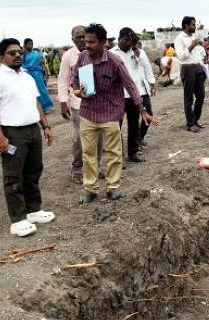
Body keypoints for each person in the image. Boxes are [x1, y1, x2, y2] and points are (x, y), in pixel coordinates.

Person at [72, 23, 157, 203]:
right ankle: (91, 189)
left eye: (92, 42)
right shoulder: (82, 58)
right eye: (86, 41)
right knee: (89, 154)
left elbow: (130, 85)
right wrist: (77, 91)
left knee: (113, 153)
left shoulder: (114, 61)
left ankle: (112, 187)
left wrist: (142, 109)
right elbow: (75, 80)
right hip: (88, 114)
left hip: (110, 113)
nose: (87, 45)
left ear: (103, 42)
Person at [0, 38, 55, 236]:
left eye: (19, 52)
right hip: (12, 132)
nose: (17, 56)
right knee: (13, 175)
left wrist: (45, 125)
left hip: (32, 129)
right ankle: (17, 219)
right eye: (12, 53)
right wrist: (0, 137)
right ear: (0, 57)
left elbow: (36, 103)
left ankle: (33, 210)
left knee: (33, 171)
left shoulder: (26, 77)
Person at [58, 25, 100, 184]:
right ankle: (77, 169)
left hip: (97, 103)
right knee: (78, 138)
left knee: (98, 136)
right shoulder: (69, 56)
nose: (82, 40)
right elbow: (62, 80)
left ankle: (95, 167)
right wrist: (63, 102)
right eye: (78, 37)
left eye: (84, 36)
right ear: (72, 39)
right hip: (78, 104)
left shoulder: (96, 51)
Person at [111, 27, 157, 163]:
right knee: (116, 127)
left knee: (133, 124)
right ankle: (117, 156)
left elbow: (146, 67)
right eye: (126, 40)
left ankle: (133, 152)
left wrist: (152, 83)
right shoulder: (111, 53)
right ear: (119, 39)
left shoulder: (137, 52)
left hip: (134, 94)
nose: (128, 43)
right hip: (118, 95)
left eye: (131, 41)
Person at [174, 16, 206, 132]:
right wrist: (191, 46)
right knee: (189, 99)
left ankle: (195, 120)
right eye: (193, 24)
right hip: (187, 69)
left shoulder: (193, 36)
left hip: (198, 68)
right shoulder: (179, 39)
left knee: (201, 96)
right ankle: (190, 124)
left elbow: (197, 54)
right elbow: (181, 56)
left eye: (195, 24)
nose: (195, 26)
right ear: (186, 25)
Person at [22, 39, 53, 113]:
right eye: (29, 44)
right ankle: (35, 108)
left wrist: (45, 72)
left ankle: (45, 107)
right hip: (27, 74)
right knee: (30, 91)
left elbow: (42, 63)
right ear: (25, 45)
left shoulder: (36, 53)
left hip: (37, 74)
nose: (30, 46)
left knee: (41, 89)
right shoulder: (22, 54)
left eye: (31, 44)